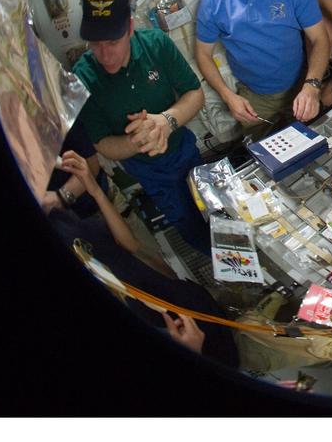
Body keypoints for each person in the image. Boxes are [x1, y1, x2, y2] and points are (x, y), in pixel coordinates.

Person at [47, 151, 239, 366]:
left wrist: (95, 192)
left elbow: (130, 246)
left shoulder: (63, 223)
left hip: (185, 301)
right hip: (178, 329)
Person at [71, 0, 211, 254]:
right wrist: (143, 139)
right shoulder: (83, 77)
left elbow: (194, 93)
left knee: (212, 209)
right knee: (187, 223)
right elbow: (102, 144)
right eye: (95, 44)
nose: (105, 54)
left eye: (113, 41)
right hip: (149, 170)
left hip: (184, 150)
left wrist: (165, 123)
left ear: (131, 28)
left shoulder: (156, 45)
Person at [194, 0, 330, 142]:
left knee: (307, 145)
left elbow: (320, 40)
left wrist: (312, 86)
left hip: (300, 86)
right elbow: (203, 54)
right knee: (263, 151)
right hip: (254, 97)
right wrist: (228, 97)